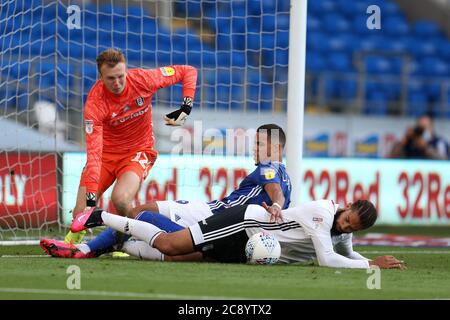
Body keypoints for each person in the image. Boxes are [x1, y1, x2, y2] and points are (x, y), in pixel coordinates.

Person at [44, 124, 292, 258]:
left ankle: (90, 247)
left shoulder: (270, 168)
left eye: (259, 144)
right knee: (147, 217)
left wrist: (277, 205)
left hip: (216, 215)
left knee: (143, 213)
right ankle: (109, 245)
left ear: (275, 148)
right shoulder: (286, 178)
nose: (254, 149)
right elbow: (278, 192)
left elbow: (274, 192)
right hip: (220, 217)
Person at [64, 48, 198, 245]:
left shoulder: (143, 79)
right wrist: (91, 205)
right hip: (105, 156)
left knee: (120, 199)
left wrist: (186, 108)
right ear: (100, 77)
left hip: (138, 151)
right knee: (80, 212)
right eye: (111, 79)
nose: (117, 83)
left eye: (121, 76)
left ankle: (128, 240)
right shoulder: (95, 105)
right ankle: (71, 241)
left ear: (126, 70)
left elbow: (188, 71)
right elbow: (94, 155)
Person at [42, 199, 406, 269]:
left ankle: (120, 241)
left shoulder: (340, 230)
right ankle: (98, 216)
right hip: (244, 224)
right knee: (172, 242)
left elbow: (345, 251)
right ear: (344, 208)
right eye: (346, 220)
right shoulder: (322, 213)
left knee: (179, 255)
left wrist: (367, 260)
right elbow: (328, 259)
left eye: (351, 228)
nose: (344, 227)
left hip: (251, 248)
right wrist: (371, 265)